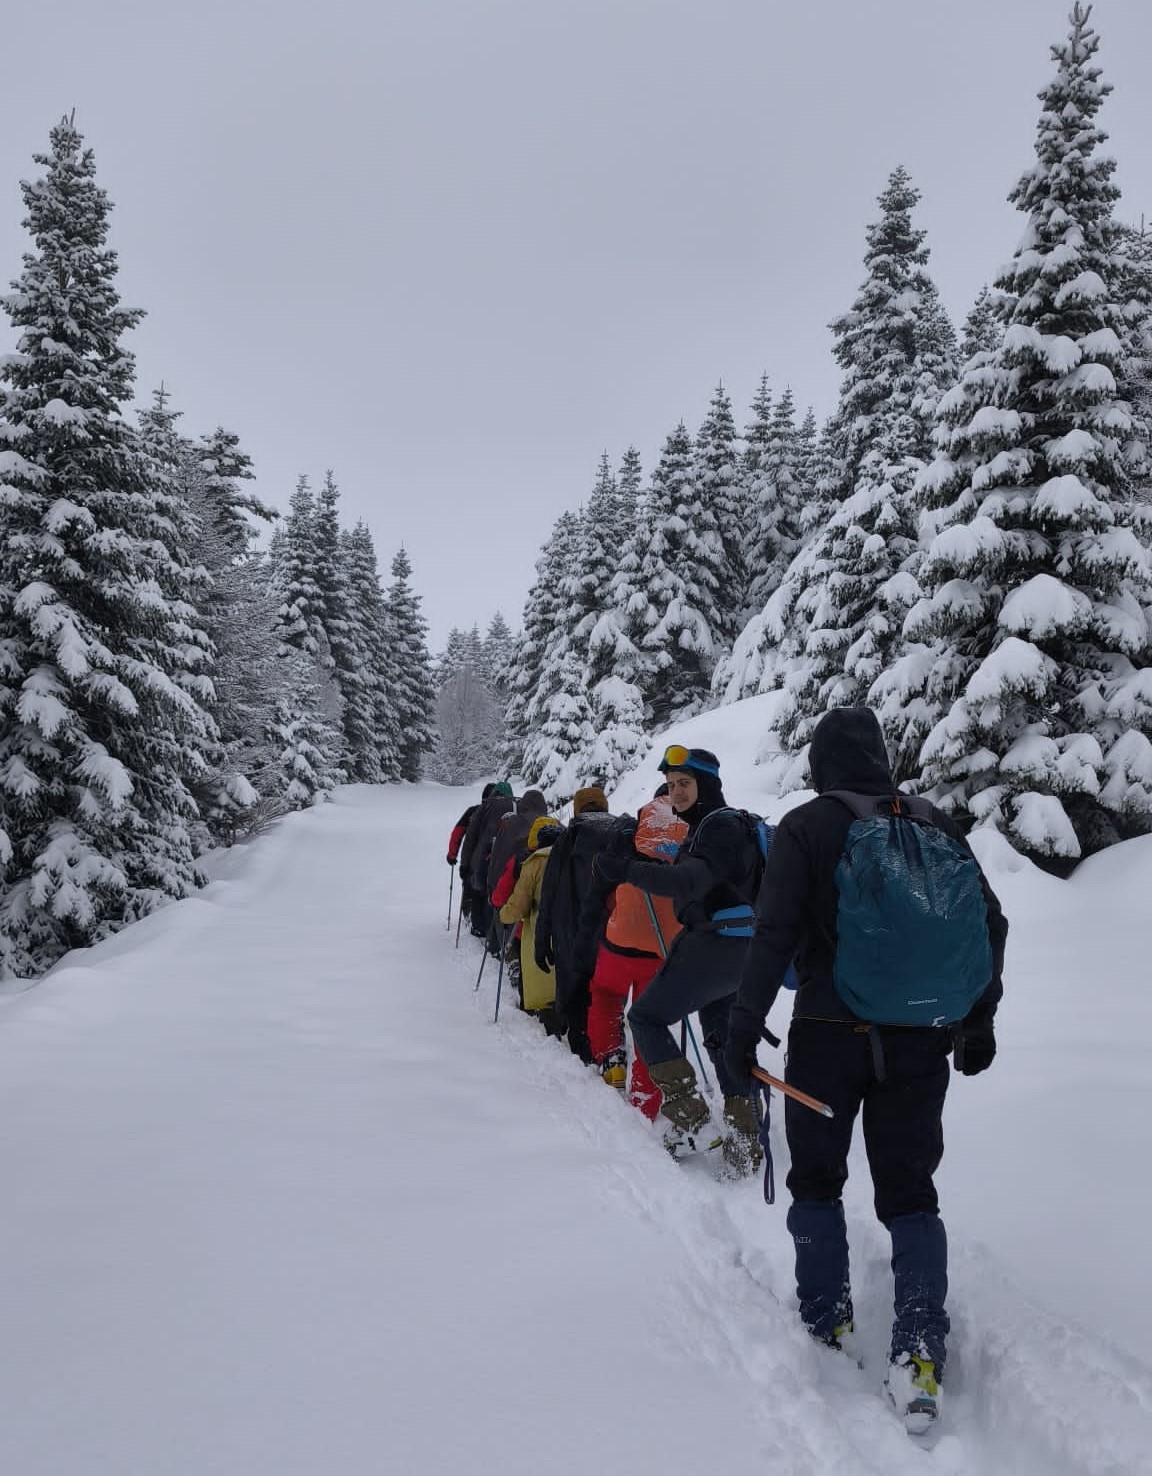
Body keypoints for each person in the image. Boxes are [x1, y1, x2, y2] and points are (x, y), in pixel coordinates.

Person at [723, 707, 1008, 1432]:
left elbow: (774, 933)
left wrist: (743, 1029)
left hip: (825, 1034)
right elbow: (991, 923)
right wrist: (977, 1019)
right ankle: (918, 1352)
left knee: (817, 1179)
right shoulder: (935, 821)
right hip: (920, 1039)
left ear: (821, 764)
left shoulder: (807, 825)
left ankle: (827, 1324)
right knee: (912, 1193)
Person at [593, 747, 764, 1172]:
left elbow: (687, 880)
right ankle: (744, 1141)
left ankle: (691, 1121)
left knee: (646, 1018)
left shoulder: (719, 826)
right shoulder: (724, 824)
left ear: (707, 784)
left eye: (684, 783)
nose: (676, 792)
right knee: (722, 1038)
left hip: (714, 945)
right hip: (743, 950)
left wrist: (624, 870)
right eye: (671, 785)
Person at [573, 795, 688, 1120]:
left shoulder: (628, 835)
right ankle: (646, 1099)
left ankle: (611, 1059)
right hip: (664, 949)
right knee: (649, 1018)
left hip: (620, 941)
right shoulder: (689, 838)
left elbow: (602, 891)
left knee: (606, 993)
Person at [534, 785, 616, 1063]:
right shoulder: (623, 833)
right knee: (608, 997)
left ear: (578, 808)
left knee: (576, 996)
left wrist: (541, 938)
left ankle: (584, 1055)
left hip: (572, 931)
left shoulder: (568, 838)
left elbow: (550, 893)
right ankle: (611, 1054)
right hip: (614, 933)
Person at [499, 815, 565, 1034]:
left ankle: (545, 1021)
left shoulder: (533, 862)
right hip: (571, 932)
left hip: (539, 932)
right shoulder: (572, 857)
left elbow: (518, 905)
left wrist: (503, 914)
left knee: (542, 978)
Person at [460, 782, 515, 944]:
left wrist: (463, 863)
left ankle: (479, 928)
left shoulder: (482, 809)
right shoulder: (516, 807)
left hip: (481, 859)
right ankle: (496, 935)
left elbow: (469, 837)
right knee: (497, 896)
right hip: (507, 861)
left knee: (479, 892)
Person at [447, 783, 495, 924]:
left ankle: (469, 915)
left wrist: (452, 854)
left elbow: (458, 832)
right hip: (493, 860)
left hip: (471, 859)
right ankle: (486, 921)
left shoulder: (473, 811)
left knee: (469, 886)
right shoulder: (503, 813)